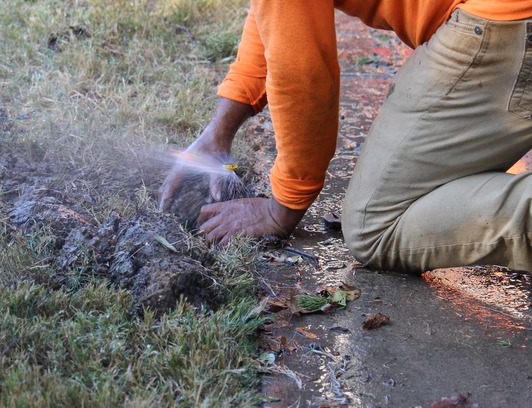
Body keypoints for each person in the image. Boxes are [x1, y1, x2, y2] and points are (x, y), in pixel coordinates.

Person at [159, 1, 532, 273]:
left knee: (375, 227)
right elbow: (278, 15)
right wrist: (218, 132)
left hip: (506, 22)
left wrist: (283, 206)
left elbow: (303, 75)